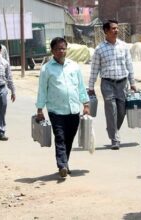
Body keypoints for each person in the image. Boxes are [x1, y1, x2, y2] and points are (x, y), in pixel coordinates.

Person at [36, 37, 90, 178]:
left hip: (73, 109)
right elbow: (42, 89)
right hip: (56, 110)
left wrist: (85, 104)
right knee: (60, 137)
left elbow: (80, 86)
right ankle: (62, 165)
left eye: (63, 48)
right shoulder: (46, 69)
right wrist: (40, 109)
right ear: (52, 51)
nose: (61, 51)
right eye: (58, 49)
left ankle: (65, 163)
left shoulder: (73, 66)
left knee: (69, 138)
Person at [88, 19, 136, 150]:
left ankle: (112, 128)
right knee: (111, 110)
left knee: (121, 111)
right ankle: (115, 139)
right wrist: (91, 87)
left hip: (122, 84)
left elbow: (129, 65)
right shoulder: (99, 49)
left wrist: (133, 83)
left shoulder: (124, 46)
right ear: (106, 31)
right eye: (113, 28)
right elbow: (94, 69)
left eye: (117, 28)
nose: (116, 30)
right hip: (107, 84)